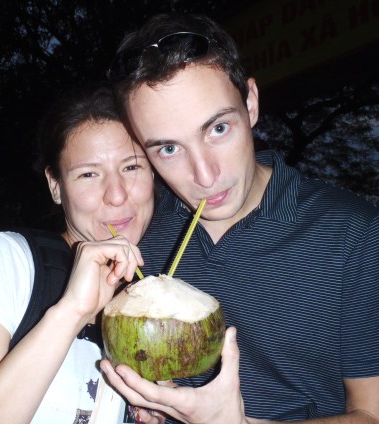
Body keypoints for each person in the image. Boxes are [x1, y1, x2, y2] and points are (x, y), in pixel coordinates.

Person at [101, 13, 379, 424]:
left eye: (217, 129)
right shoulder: (142, 238)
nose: (205, 176)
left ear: (250, 103)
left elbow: (371, 413)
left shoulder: (353, 233)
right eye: (169, 149)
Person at [0, 83, 161, 424]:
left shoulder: (150, 296)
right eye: (89, 174)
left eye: (132, 167)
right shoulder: (8, 261)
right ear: (56, 186)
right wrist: (70, 313)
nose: (117, 195)